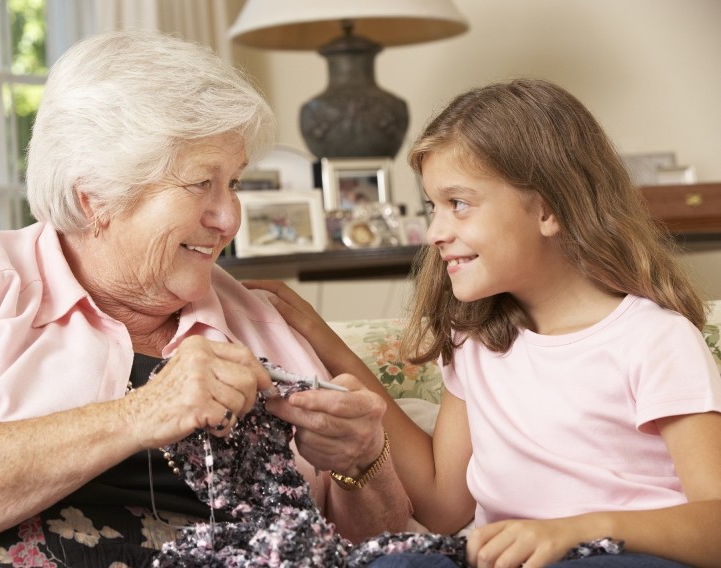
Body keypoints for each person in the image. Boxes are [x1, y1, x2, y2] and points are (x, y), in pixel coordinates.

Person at [0, 30, 412, 567]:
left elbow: (367, 550)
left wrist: (362, 463)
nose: (229, 218)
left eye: (236, 184)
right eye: (202, 184)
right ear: (97, 198)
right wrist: (142, 413)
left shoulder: (258, 323)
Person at [247, 78, 721, 567]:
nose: (435, 232)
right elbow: (441, 506)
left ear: (547, 209)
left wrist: (580, 530)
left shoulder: (653, 339)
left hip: (622, 555)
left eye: (459, 203)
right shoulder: (478, 341)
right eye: (434, 207)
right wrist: (326, 343)